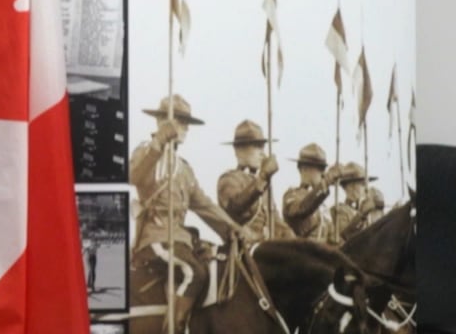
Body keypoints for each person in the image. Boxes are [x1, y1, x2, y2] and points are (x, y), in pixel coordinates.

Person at [130, 95, 253, 333]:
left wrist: (233, 229)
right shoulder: (146, 152)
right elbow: (133, 176)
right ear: (161, 122)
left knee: (216, 263)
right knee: (193, 272)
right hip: (156, 238)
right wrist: (157, 147)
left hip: (180, 239)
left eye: (187, 122)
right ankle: (174, 329)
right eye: (180, 121)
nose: (185, 127)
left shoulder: (184, 168)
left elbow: (204, 206)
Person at [217, 119, 293, 240]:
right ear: (239, 150)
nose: (262, 154)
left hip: (265, 246)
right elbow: (236, 207)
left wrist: (294, 239)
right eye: (257, 147)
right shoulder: (229, 180)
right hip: (241, 246)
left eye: (263, 148)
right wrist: (262, 177)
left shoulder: (262, 184)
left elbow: (275, 221)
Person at [282, 143, 335, 243]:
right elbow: (301, 210)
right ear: (304, 169)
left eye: (323, 169)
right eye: (319, 169)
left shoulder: (323, 206)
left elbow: (332, 239)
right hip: (300, 255)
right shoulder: (291, 195)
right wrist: (325, 183)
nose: (323, 174)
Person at [328, 162, 386, 245]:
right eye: (362, 184)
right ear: (349, 187)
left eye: (365, 184)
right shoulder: (339, 210)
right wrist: (361, 214)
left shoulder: (369, 210)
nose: (366, 188)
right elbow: (343, 236)